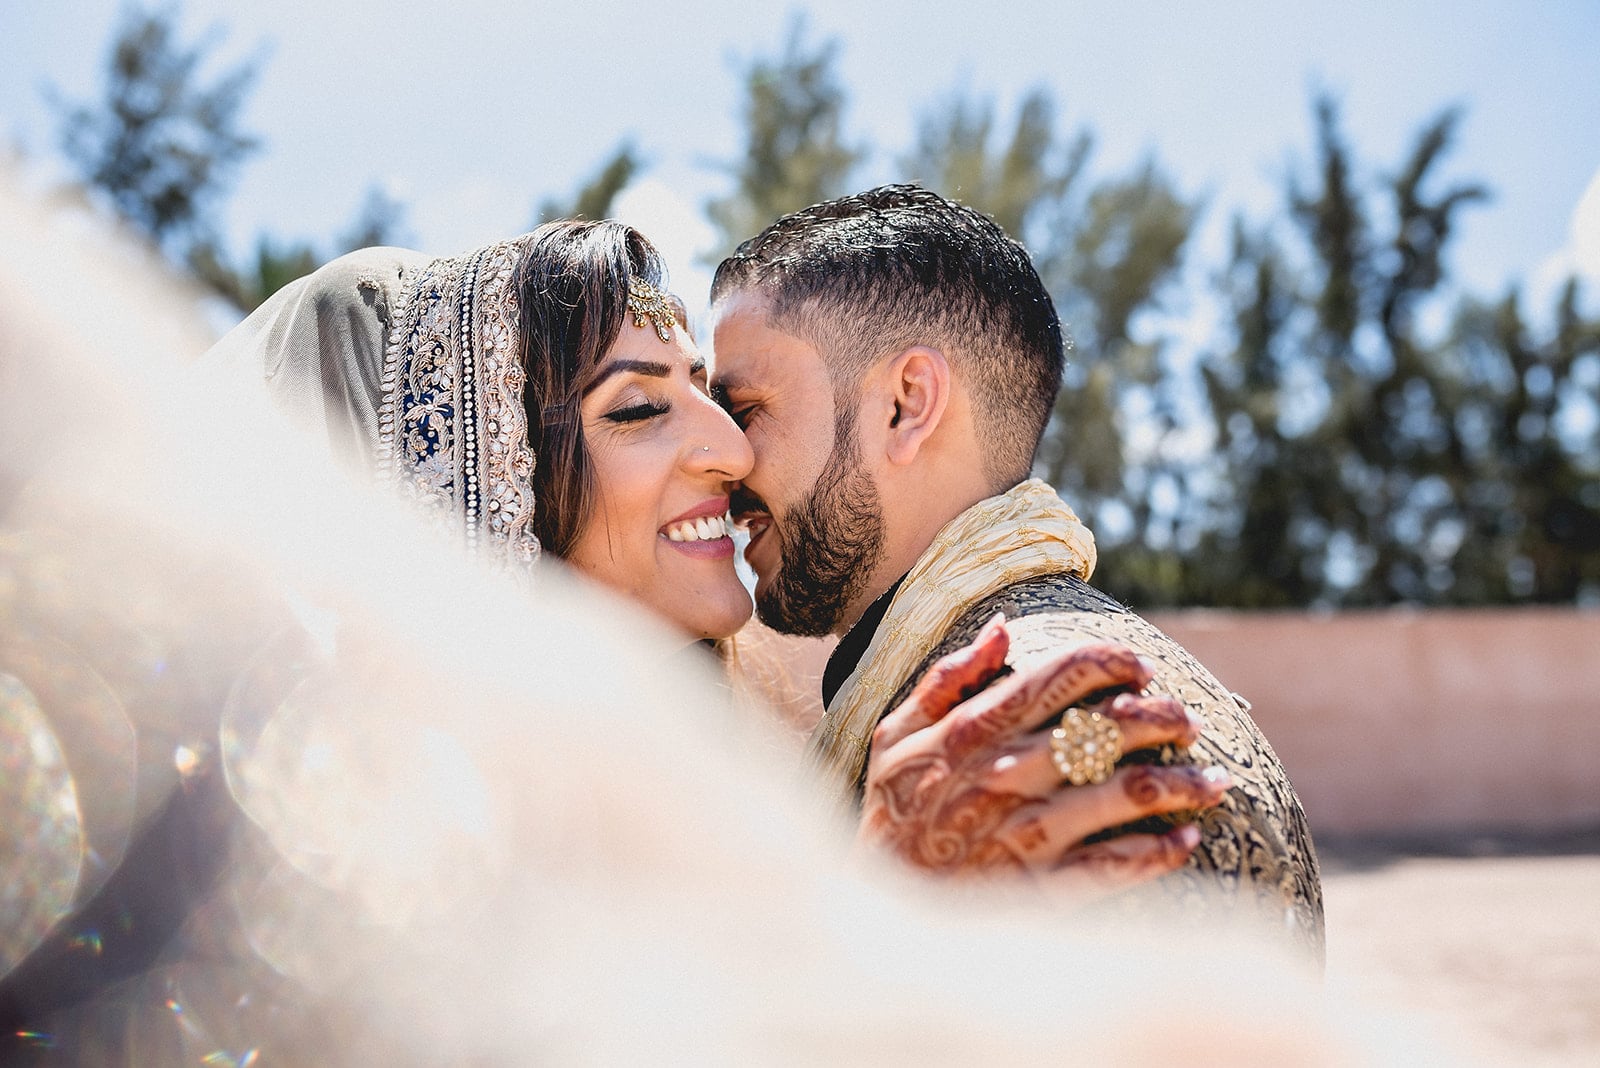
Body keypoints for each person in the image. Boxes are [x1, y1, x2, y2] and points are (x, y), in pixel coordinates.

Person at [201, 218, 1224, 898]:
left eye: (718, 398)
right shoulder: (386, 867)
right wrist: (892, 923)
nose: (732, 453)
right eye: (641, 408)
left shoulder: (736, 781)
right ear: (469, 502)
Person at [708, 185, 1324, 953]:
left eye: (742, 410)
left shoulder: (1025, 738)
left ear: (905, 405)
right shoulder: (1023, 695)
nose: (722, 461)